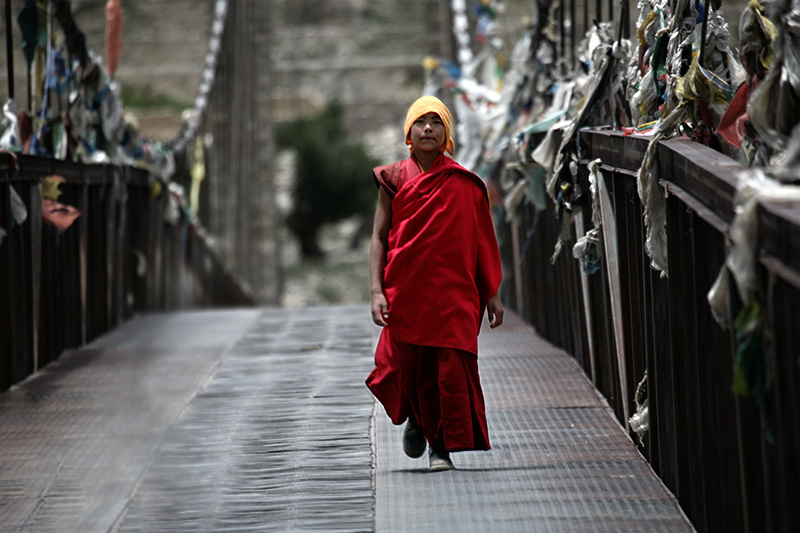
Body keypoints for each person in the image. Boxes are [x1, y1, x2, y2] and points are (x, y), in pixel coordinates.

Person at [366, 95, 504, 472]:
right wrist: (377, 291)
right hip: (406, 290)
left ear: (448, 134)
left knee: (448, 368)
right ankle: (416, 416)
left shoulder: (465, 184)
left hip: (453, 293)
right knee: (406, 367)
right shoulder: (393, 180)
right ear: (408, 133)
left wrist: (491, 292)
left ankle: (440, 448)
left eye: (437, 122)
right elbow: (380, 236)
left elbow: (482, 240)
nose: (429, 128)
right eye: (421, 122)